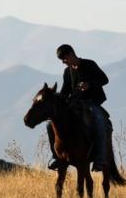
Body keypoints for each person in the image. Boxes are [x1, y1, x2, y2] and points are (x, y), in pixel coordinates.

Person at [47, 44, 110, 172]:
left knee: (99, 121)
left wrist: (90, 85)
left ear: (71, 54)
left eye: (64, 59)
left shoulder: (89, 64)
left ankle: (99, 158)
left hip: (91, 102)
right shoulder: (67, 72)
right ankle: (56, 157)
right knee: (50, 125)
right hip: (74, 104)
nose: (63, 62)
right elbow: (65, 91)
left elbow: (104, 79)